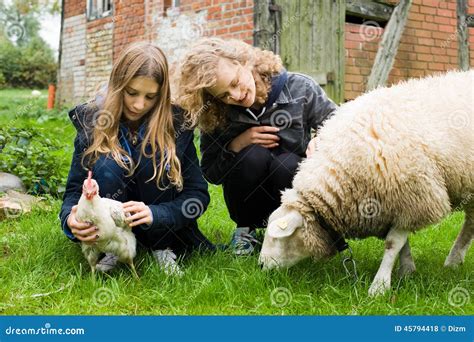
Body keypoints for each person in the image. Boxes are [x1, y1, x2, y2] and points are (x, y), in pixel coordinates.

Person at [59, 41, 214, 275]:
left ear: (161, 96)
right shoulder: (92, 122)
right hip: (108, 231)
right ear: (117, 86)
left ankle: (161, 246)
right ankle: (111, 249)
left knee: (156, 155)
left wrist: (157, 214)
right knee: (107, 162)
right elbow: (73, 192)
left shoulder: (177, 124)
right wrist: (70, 222)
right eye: (131, 93)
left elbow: (197, 195)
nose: (139, 104)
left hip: (163, 229)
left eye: (150, 96)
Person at [176, 38, 337, 255]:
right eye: (223, 95)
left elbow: (341, 123)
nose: (235, 96)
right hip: (248, 201)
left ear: (244, 62)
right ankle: (245, 231)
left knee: (287, 162)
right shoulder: (216, 113)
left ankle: (295, 228)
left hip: (291, 190)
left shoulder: (300, 87)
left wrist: (323, 138)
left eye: (234, 83)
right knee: (253, 156)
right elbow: (212, 173)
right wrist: (237, 144)